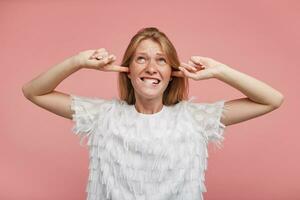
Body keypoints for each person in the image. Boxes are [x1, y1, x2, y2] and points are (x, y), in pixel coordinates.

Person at [22, 27, 284, 200]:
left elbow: (272, 100)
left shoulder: (193, 119)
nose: (151, 68)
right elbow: (34, 92)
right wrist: (77, 61)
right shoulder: (102, 116)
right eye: (141, 59)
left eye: (161, 60)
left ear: (172, 73)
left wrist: (220, 71)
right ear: (127, 70)